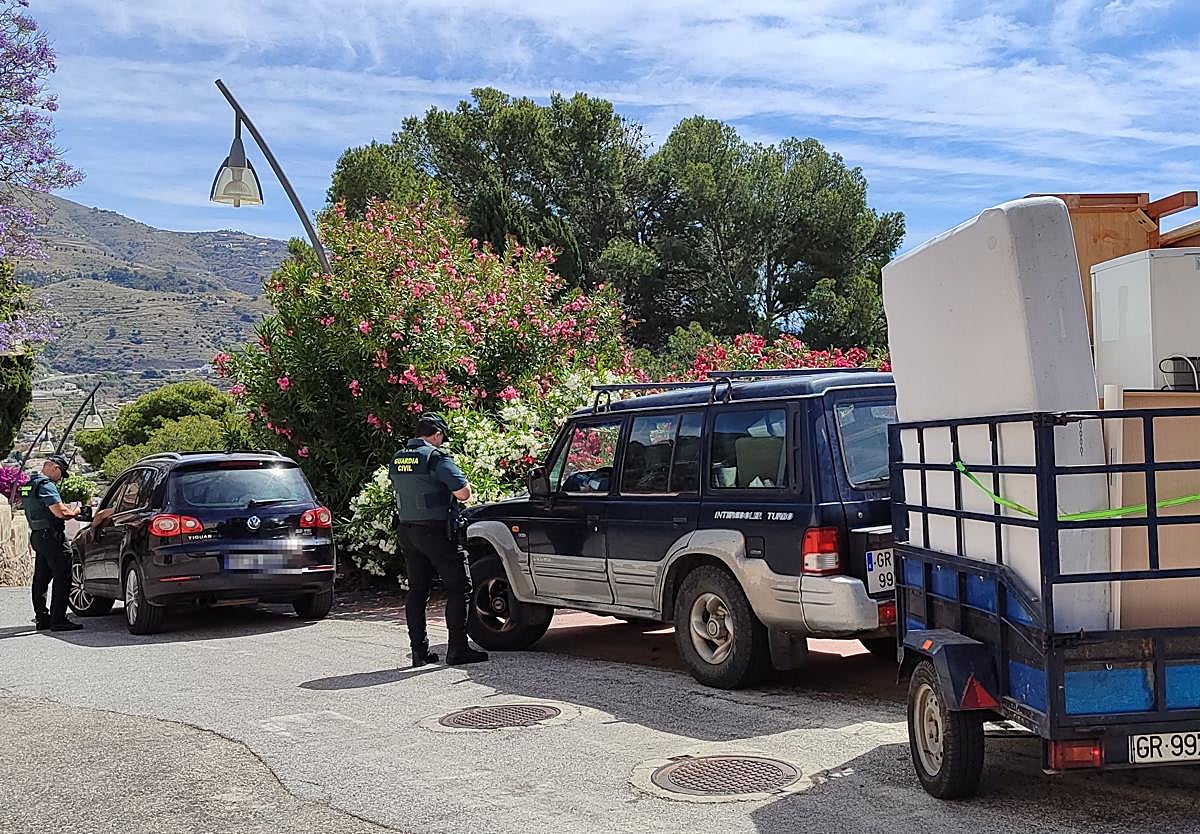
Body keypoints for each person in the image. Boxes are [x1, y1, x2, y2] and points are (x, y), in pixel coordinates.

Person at [388, 413, 488, 667]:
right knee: (459, 587)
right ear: (437, 434)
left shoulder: (398, 459)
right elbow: (464, 493)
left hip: (408, 532)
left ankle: (419, 653)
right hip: (436, 532)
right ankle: (457, 650)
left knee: (418, 591)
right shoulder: (435, 457)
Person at [25, 454, 83, 631]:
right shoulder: (46, 484)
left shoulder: (30, 484)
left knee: (41, 578)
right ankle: (58, 620)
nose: (60, 479)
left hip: (37, 535)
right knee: (63, 575)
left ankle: (42, 618)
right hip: (52, 536)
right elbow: (59, 512)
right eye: (61, 474)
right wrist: (75, 512)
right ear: (55, 468)